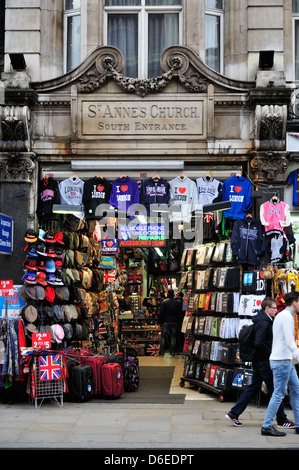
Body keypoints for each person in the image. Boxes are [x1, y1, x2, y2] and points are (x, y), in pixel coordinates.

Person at [225, 297, 295, 429]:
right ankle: (281, 420)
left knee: (254, 387)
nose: (276, 310)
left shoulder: (263, 319)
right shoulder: (264, 322)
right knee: (275, 390)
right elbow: (259, 343)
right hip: (263, 361)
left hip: (259, 361)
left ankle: (233, 413)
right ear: (267, 309)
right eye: (274, 308)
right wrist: (272, 353)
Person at [261, 291, 299, 437]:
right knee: (278, 393)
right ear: (295, 302)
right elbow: (290, 341)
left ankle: (298, 424)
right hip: (282, 361)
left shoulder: (284, 315)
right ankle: (266, 426)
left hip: (285, 361)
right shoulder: (286, 317)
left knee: (296, 390)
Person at [158, 288, 182, 356]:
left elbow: (161, 313)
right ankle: (172, 352)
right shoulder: (177, 302)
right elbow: (179, 313)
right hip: (174, 321)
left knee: (163, 336)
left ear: (167, 293)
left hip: (166, 321)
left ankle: (161, 352)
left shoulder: (164, 302)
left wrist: (160, 322)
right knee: (173, 337)